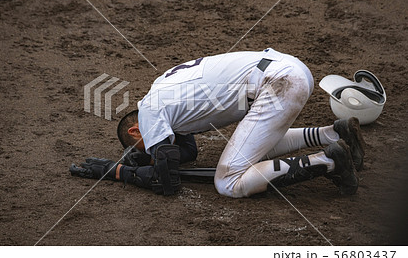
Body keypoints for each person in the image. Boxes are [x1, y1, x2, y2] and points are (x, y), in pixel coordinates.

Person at [70, 48, 364, 198]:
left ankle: (329, 162)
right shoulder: (163, 87)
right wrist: (145, 159)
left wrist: (118, 171)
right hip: (289, 70)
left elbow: (168, 181)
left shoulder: (148, 110)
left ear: (136, 130)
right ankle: (332, 135)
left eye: (142, 143)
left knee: (228, 182)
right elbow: (188, 153)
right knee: (250, 152)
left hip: (277, 84)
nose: (152, 147)